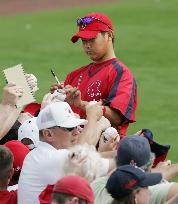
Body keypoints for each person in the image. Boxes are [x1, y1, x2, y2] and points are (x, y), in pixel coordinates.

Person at [51, 12, 137, 137]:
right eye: (83, 41)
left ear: (109, 35)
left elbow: (117, 118)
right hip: (73, 149)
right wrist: (57, 99)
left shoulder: (120, 73)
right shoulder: (74, 76)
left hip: (102, 152)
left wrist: (81, 104)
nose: (87, 45)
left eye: (92, 39)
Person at [18, 101, 109, 204]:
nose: (77, 132)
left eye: (76, 126)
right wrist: (94, 119)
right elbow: (83, 152)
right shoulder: (50, 158)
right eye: (70, 128)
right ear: (48, 134)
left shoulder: (40, 154)